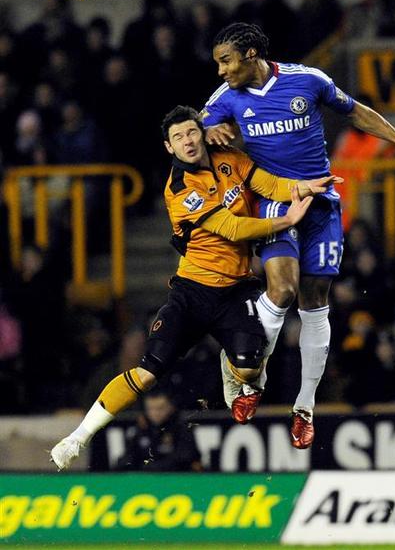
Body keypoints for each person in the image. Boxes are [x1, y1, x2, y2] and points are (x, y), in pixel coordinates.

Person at [50, 105, 338, 470]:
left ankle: (232, 369)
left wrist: (302, 187)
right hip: (193, 291)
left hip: (237, 290)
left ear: (201, 133)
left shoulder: (230, 159)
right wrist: (286, 220)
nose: (186, 141)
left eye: (191, 132)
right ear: (168, 147)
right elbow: (232, 228)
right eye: (178, 137)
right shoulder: (180, 188)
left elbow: (268, 185)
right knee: (148, 372)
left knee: (251, 371)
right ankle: (78, 437)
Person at [202, 21, 395, 449]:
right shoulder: (225, 98)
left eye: (226, 61)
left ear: (251, 54)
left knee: (315, 302)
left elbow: (356, 111)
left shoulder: (307, 80)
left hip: (322, 203)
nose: (221, 71)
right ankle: (247, 375)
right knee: (282, 289)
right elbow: (189, 134)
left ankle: (305, 407)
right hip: (275, 201)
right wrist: (207, 132)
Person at [116, 390, 202, 472]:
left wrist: (153, 467)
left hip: (177, 477)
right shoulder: (140, 429)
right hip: (145, 477)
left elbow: (185, 458)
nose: (155, 413)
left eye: (160, 408)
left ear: (171, 407)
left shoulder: (181, 428)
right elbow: (129, 457)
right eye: (151, 409)